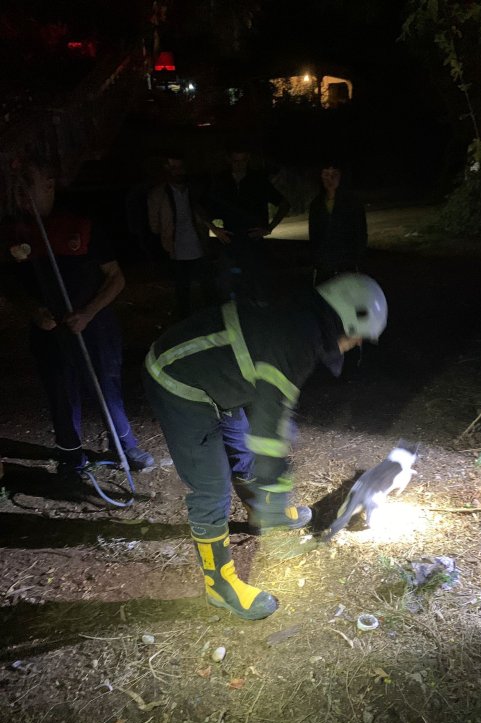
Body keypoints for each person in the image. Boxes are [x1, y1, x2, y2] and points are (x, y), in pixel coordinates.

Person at [143, 272, 388, 621]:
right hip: (178, 381)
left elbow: (270, 401)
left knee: (242, 452)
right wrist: (277, 495)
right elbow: (268, 433)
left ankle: (259, 514)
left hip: (215, 378)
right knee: (211, 486)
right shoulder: (295, 340)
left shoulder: (302, 322)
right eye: (360, 336)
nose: (359, 343)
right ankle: (220, 586)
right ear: (346, 321)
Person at [3, 160, 154, 477]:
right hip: (48, 330)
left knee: (105, 386)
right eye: (15, 187)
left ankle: (125, 446)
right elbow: (10, 286)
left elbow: (116, 278)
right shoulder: (13, 233)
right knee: (59, 390)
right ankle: (70, 455)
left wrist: (88, 312)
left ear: (48, 186)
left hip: (94, 326)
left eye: (27, 184)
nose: (19, 194)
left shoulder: (81, 225)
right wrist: (33, 310)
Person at [208, 147, 291, 302]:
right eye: (235, 161)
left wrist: (269, 228)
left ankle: (259, 310)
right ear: (229, 160)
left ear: (248, 159)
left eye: (243, 160)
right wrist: (214, 229)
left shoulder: (258, 180)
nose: (239, 165)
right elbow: (200, 206)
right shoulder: (221, 180)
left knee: (258, 287)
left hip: (254, 242)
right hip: (230, 242)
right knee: (229, 287)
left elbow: (284, 204)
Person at [147, 152, 221, 319]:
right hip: (176, 249)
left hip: (198, 245)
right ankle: (188, 320)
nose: (178, 171)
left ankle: (212, 318)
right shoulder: (158, 194)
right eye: (173, 168)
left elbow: (204, 212)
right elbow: (154, 225)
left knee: (206, 286)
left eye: (180, 167)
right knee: (183, 289)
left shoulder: (193, 190)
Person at [308, 160, 368, 283]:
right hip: (324, 267)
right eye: (326, 174)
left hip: (347, 266)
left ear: (341, 176)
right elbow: (314, 237)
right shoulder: (316, 204)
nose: (330, 179)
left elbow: (360, 233)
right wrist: (317, 261)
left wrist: (356, 260)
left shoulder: (352, 203)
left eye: (334, 174)